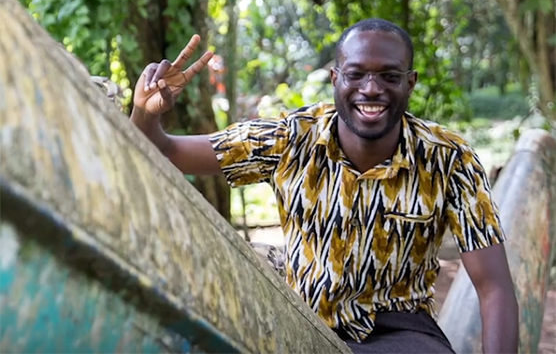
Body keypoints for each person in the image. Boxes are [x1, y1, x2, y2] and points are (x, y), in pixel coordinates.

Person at [131, 18, 519, 354]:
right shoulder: (289, 138)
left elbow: (493, 286)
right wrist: (145, 114)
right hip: (302, 321)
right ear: (336, 78)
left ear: (410, 83)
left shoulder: (449, 158)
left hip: (399, 331)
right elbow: (166, 150)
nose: (371, 88)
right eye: (356, 74)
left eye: (389, 76)